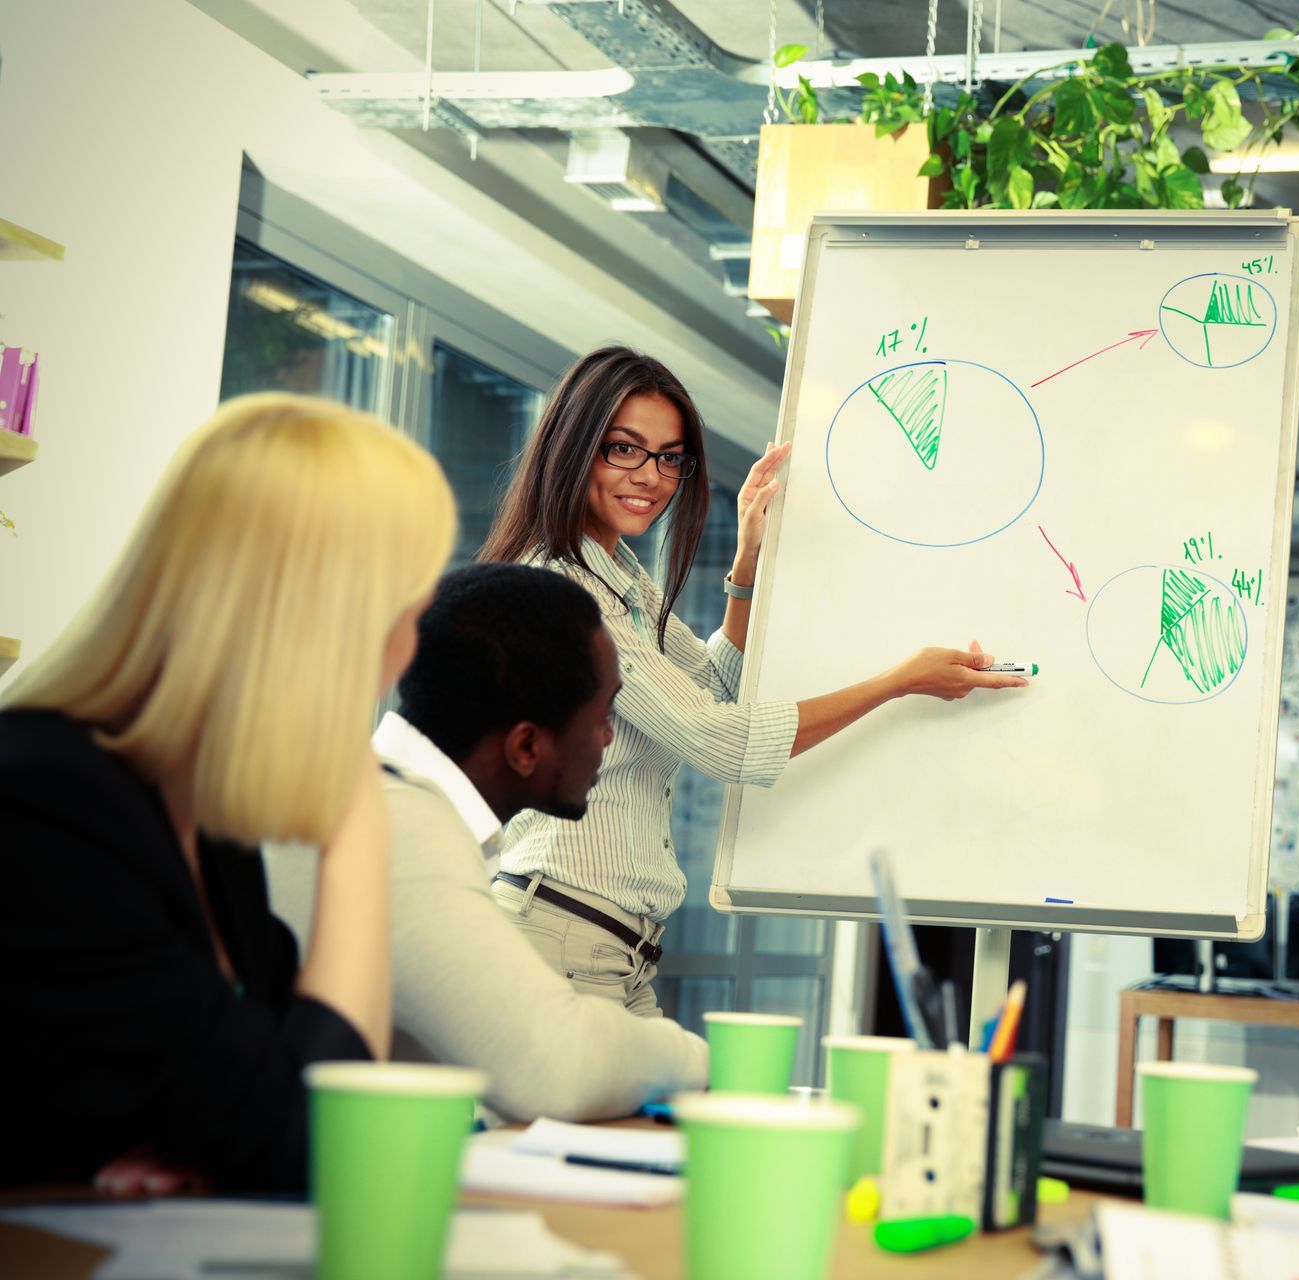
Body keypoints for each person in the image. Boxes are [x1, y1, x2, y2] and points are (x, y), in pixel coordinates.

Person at [478, 346, 1025, 1012]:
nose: (651, 476)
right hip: (558, 940)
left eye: (670, 457)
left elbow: (712, 685)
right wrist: (897, 683)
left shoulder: (620, 580)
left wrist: (745, 564)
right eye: (625, 449)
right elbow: (724, 741)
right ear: (575, 447)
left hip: (606, 948)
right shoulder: (566, 588)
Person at [0, 393, 454, 1193]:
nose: (408, 649)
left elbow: (285, 1095)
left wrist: (235, 1145)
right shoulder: (47, 806)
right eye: (407, 615)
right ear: (328, 629)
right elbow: (321, 1136)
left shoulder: (199, 825)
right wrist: (358, 814)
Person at [267, 563, 709, 1121]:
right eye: (604, 715)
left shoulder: (390, 801)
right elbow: (556, 1064)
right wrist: (696, 1057)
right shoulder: (400, 831)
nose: (608, 738)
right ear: (526, 747)